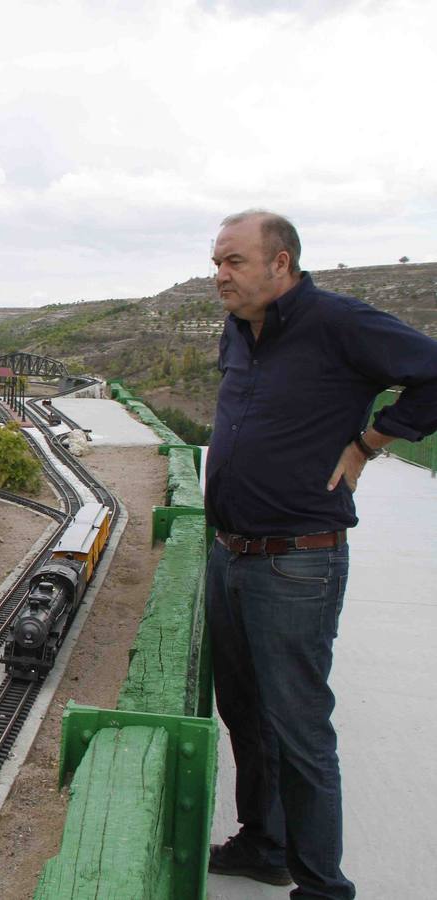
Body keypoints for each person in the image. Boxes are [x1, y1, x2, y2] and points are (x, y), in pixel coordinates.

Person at [203, 209, 437, 898]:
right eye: (216, 261)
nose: (220, 275)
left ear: (281, 263)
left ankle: (322, 886)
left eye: (234, 262)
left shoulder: (339, 322)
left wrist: (369, 444)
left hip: (295, 560)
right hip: (231, 552)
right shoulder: (238, 329)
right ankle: (264, 843)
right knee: (244, 711)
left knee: (299, 728)